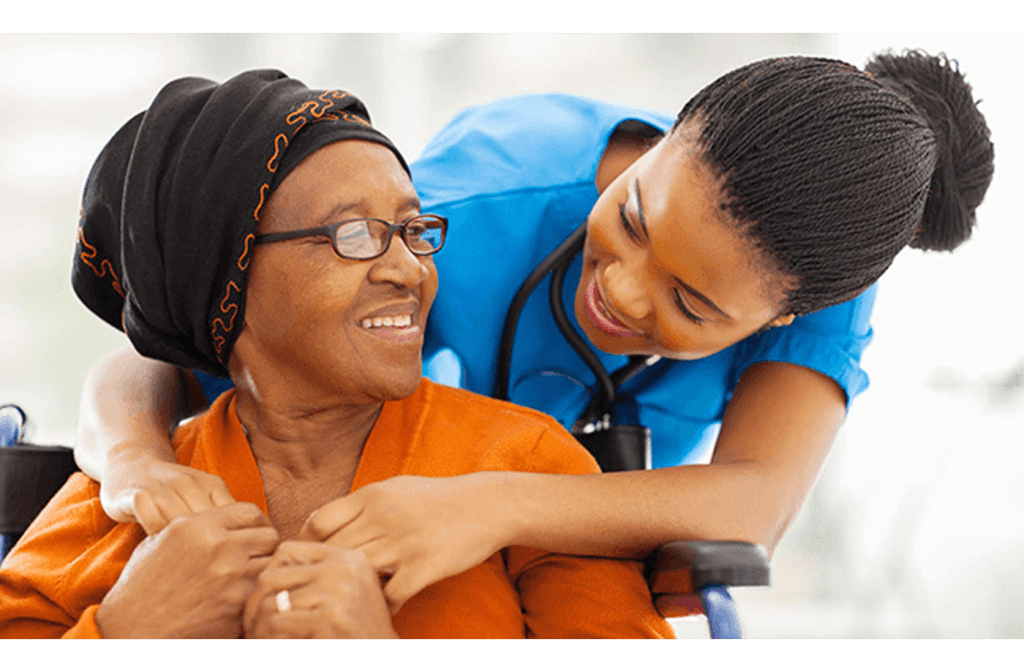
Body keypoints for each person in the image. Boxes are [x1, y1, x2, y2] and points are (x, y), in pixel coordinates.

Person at [73, 51, 995, 612]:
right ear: (666, 138)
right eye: (632, 218)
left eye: (691, 306)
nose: (620, 294)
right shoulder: (473, 209)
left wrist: (490, 504)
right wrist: (135, 463)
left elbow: (755, 503)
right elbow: (154, 361)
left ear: (785, 315)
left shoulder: (815, 277)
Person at [0, 70, 673, 639]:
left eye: (413, 229)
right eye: (353, 234)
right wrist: (124, 631)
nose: (409, 269)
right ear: (227, 280)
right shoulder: (124, 500)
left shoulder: (527, 465)